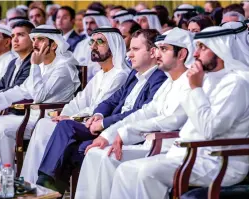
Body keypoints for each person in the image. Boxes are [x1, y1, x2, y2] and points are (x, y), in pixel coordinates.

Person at [109, 26, 249, 199]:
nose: (195, 54)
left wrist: (195, 88)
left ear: (222, 48)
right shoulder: (208, 79)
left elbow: (210, 129)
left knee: (147, 172)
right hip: (192, 155)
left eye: (202, 47)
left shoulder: (237, 83)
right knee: (126, 170)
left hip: (219, 161)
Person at [35, 29, 168, 196]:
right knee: (66, 129)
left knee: (75, 144)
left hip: (126, 132)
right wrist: (98, 115)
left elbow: (139, 112)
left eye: (135, 49)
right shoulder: (135, 74)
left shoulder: (159, 78)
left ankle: (50, 189)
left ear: (152, 52)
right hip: (106, 125)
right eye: (130, 49)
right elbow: (112, 100)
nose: (129, 54)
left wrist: (104, 123)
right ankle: (49, 186)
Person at [75, 28, 195, 199]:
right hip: (151, 142)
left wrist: (124, 134)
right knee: (96, 152)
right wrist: (109, 135)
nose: (157, 54)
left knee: (109, 158)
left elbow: (169, 121)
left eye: (164, 49)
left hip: (168, 146)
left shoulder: (189, 83)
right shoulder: (170, 82)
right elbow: (144, 113)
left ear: (182, 54)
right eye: (158, 48)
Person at [20, 27, 133, 184]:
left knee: (46, 126)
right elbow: (80, 100)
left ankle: (39, 184)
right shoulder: (101, 74)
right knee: (46, 124)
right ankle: (31, 181)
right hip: (82, 120)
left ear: (114, 45)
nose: (93, 46)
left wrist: (70, 118)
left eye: (100, 42)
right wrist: (64, 114)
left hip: (99, 126)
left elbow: (101, 108)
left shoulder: (120, 74)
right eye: (91, 42)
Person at [0, 25, 81, 166]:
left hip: (48, 119)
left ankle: (5, 174)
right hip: (33, 116)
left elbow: (40, 95)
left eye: (40, 40)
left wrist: (34, 65)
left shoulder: (63, 67)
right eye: (34, 39)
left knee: (1, 130)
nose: (35, 44)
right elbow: (22, 89)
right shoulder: (43, 65)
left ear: (54, 45)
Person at [73, 8, 111, 80]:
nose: (88, 26)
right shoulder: (81, 45)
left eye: (92, 23)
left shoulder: (108, 44)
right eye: (86, 23)